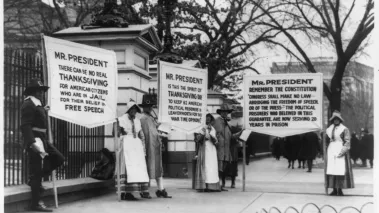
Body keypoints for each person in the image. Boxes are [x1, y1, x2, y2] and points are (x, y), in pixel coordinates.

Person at [20, 79, 64, 212]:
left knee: (59, 158)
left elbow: (37, 117)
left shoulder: (37, 104)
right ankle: (36, 203)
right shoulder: (28, 104)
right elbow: (25, 125)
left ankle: (33, 180)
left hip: (43, 139)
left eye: (42, 91)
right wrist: (32, 143)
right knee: (36, 171)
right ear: (33, 92)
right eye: (39, 91)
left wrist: (44, 110)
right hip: (36, 139)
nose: (42, 93)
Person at [115, 100, 150, 201]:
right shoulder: (122, 120)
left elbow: (141, 135)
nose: (133, 111)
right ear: (128, 110)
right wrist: (119, 130)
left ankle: (131, 191)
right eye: (132, 109)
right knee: (126, 168)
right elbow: (118, 134)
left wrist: (143, 150)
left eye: (135, 110)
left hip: (136, 147)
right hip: (126, 146)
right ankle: (124, 192)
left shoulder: (137, 121)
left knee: (136, 168)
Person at [139, 96, 172, 198]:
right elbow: (144, 134)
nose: (150, 108)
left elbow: (154, 131)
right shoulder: (143, 118)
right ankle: (144, 190)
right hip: (148, 146)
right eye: (147, 106)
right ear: (143, 107)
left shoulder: (150, 118)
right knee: (147, 167)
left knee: (157, 167)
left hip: (155, 145)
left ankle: (160, 189)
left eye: (150, 106)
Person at [213, 104, 243, 190]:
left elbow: (231, 137)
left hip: (226, 150)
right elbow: (215, 134)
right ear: (220, 113)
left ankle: (220, 185)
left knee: (224, 168)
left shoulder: (227, 123)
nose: (225, 114)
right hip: (219, 149)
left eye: (226, 112)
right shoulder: (217, 121)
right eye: (223, 112)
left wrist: (240, 133)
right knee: (219, 168)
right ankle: (217, 185)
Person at [325, 111, 354, 196]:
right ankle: (334, 189)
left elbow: (347, 141)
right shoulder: (329, 129)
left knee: (340, 170)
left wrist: (343, 151)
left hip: (340, 150)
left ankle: (340, 189)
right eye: (334, 119)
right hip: (331, 150)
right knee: (332, 170)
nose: (336, 121)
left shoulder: (344, 129)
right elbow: (326, 140)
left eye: (337, 119)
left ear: (340, 120)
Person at [194, 113, 221, 192]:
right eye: (207, 118)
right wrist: (203, 133)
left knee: (212, 167)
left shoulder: (213, 129)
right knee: (206, 167)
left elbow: (216, 141)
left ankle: (213, 186)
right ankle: (204, 185)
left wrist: (214, 139)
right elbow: (197, 139)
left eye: (209, 119)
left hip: (212, 150)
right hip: (204, 149)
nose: (208, 120)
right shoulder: (201, 128)